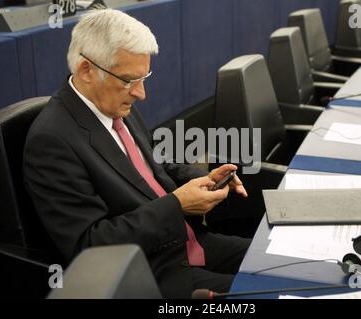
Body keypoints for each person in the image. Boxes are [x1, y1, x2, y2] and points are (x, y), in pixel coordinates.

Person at [23, 9, 250, 298]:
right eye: (130, 80)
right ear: (86, 70)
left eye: (144, 78)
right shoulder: (51, 141)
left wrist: (205, 178)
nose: (141, 93)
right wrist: (176, 205)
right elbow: (91, 245)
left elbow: (158, 165)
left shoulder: (114, 102)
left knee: (287, 262)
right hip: (153, 272)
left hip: (189, 242)